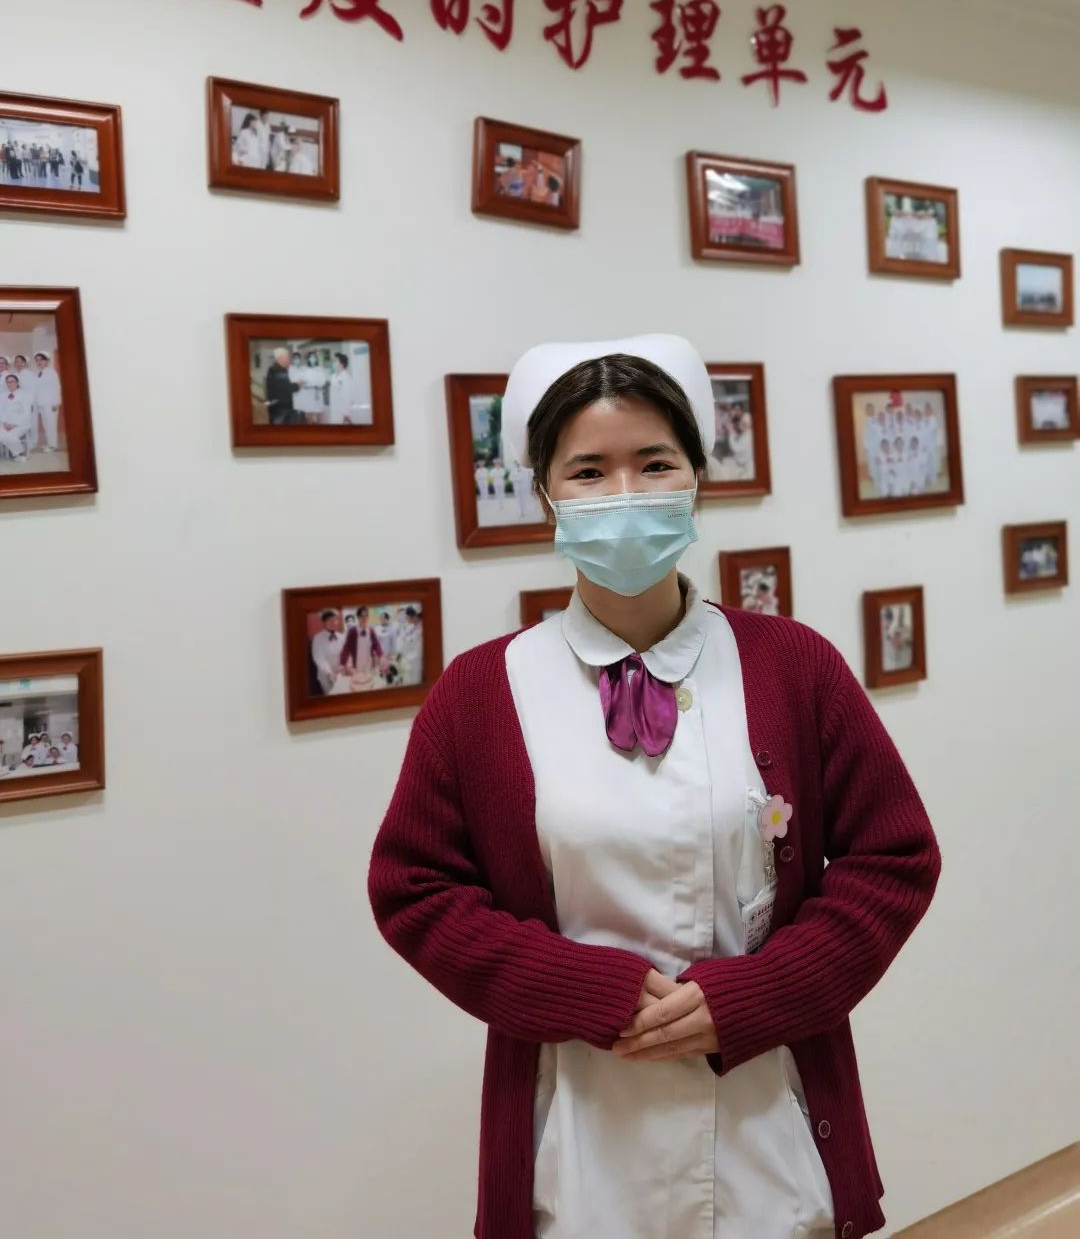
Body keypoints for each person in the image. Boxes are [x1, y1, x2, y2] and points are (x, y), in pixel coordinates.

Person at [368, 332, 941, 1239]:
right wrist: (580, 990)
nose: (625, 494)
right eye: (589, 471)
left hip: (768, 1120)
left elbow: (894, 858)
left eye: (654, 463)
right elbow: (415, 890)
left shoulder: (793, 665)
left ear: (697, 477)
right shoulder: (481, 692)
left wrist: (755, 996)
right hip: (579, 1130)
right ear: (546, 492)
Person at [30, 350, 62, 453]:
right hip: (41, 403)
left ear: (47, 361)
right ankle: (49, 443)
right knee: (46, 424)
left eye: (41, 360)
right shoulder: (37, 373)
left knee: (51, 424)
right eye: (37, 360)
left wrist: (56, 402)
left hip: (50, 403)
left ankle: (53, 446)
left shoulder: (51, 372)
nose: (39, 362)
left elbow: (56, 387)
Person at [310, 610, 344, 696]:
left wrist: (342, 666)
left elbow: (345, 653)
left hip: (340, 672)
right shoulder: (317, 638)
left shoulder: (342, 636)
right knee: (331, 695)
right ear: (324, 622)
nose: (332, 622)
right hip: (325, 675)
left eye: (334, 620)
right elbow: (319, 658)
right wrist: (329, 672)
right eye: (329, 620)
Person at [264, 347, 301, 425]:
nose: (289, 360)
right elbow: (288, 388)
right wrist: (298, 384)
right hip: (282, 409)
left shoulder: (273, 369)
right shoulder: (279, 371)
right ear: (280, 358)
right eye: (287, 357)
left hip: (275, 407)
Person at [0, 373, 30, 460]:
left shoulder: (24, 395)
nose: (10, 384)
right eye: (8, 382)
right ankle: (18, 452)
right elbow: (1, 410)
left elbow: (26, 412)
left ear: (17, 382)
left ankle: (18, 454)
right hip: (5, 423)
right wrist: (5, 423)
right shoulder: (2, 396)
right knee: (2, 435)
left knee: (11, 436)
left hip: (21, 423)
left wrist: (15, 424)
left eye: (12, 381)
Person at [294, 352, 328, 423]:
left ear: (316, 359)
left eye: (314, 357)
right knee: (309, 416)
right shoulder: (305, 370)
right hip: (308, 395)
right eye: (311, 357)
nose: (312, 359)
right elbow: (302, 381)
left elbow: (323, 381)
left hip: (317, 395)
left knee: (318, 416)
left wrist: (317, 384)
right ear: (308, 359)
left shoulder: (320, 369)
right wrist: (306, 384)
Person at [327, 353, 356, 424]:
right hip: (334, 408)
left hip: (342, 411)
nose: (333, 363)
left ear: (342, 364)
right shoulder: (333, 376)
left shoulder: (346, 377)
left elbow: (347, 396)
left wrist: (345, 413)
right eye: (333, 361)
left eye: (335, 361)